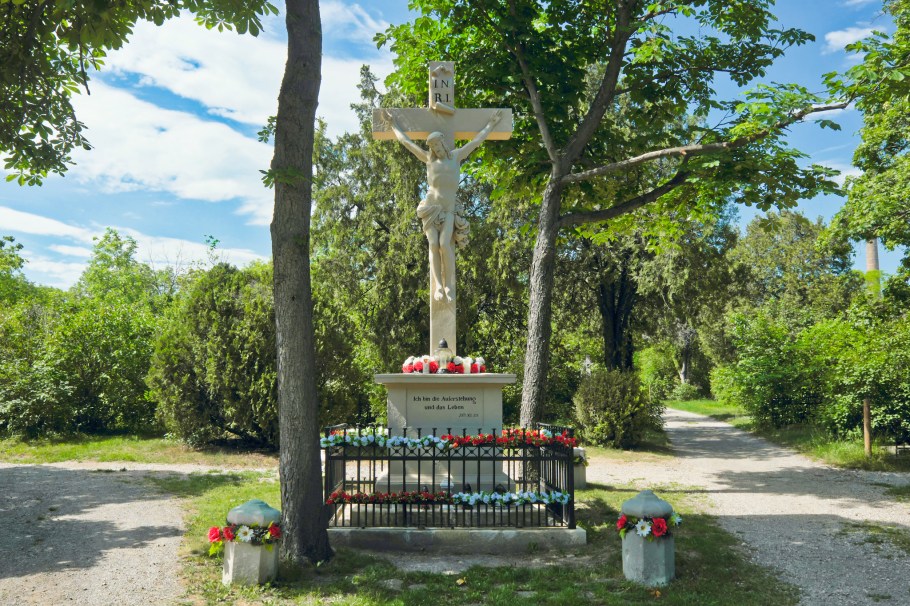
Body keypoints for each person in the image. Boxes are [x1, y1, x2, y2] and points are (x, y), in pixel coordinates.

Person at [383, 109, 503, 302]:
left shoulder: (456, 156)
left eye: (438, 146)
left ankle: (448, 285)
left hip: (448, 208)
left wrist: (491, 124)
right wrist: (393, 125)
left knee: (444, 244)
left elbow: (475, 142)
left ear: (443, 144)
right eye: (433, 148)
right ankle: (438, 286)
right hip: (431, 206)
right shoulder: (429, 160)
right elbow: (407, 143)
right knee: (433, 244)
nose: (436, 150)